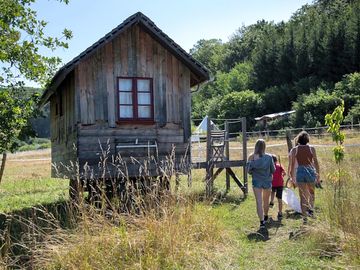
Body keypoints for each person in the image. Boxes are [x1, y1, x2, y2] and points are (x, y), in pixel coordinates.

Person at [289, 131, 320, 224]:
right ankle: (311, 210)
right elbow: (316, 162)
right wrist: (318, 174)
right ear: (307, 139)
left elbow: (292, 165)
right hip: (310, 171)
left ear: (298, 139)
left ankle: (304, 218)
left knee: (302, 196)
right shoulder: (312, 149)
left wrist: (291, 176)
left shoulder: (295, 150)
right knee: (312, 193)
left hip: (300, 172)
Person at [248, 139, 276, 229]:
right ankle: (266, 215)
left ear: (255, 146)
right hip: (267, 181)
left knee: (259, 202)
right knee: (266, 200)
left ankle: (261, 222)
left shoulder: (251, 157)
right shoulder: (269, 157)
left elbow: (248, 171)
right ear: (264, 146)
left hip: (256, 181)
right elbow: (273, 170)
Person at [269, 155, 286, 220]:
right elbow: (284, 173)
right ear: (276, 160)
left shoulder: (270, 167)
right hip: (280, 184)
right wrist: (282, 175)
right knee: (279, 199)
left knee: (272, 192)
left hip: (273, 183)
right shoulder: (280, 166)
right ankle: (280, 213)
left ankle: (272, 201)